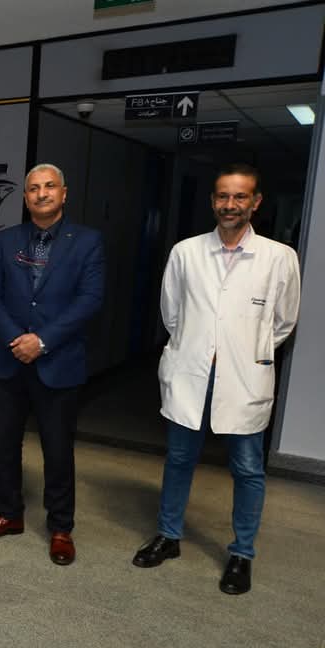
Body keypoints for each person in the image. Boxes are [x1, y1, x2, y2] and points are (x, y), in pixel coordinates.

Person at [132, 163, 300, 595]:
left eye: (240, 196)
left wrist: (245, 351)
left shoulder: (279, 257)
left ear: (255, 202)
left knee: (247, 468)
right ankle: (169, 535)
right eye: (223, 196)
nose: (230, 204)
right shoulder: (186, 252)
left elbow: (283, 323)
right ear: (212, 201)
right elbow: (172, 313)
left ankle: (242, 553)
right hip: (192, 372)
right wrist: (201, 345)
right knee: (179, 460)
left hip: (244, 379)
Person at [0, 163, 104, 565]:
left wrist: (42, 341)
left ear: (64, 193)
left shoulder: (87, 241)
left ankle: (61, 527)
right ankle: (9, 514)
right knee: (3, 446)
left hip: (58, 362)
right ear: (26, 197)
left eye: (49, 187)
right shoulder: (6, 238)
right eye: (33, 188)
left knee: (58, 451)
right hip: (5, 360)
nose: (41, 193)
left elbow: (90, 299)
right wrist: (18, 339)